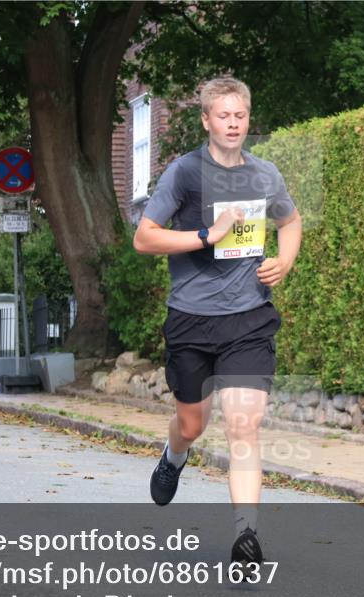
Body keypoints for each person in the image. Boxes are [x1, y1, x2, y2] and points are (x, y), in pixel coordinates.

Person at [132, 77, 302, 565]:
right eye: (223, 116)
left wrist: (284, 262)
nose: (233, 124)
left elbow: (289, 221)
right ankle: (174, 455)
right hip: (191, 319)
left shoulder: (266, 175)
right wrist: (206, 234)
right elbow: (145, 238)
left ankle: (246, 536)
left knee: (244, 425)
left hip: (249, 317)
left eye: (240, 115)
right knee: (192, 422)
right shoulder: (184, 174)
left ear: (248, 119)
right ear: (206, 120)